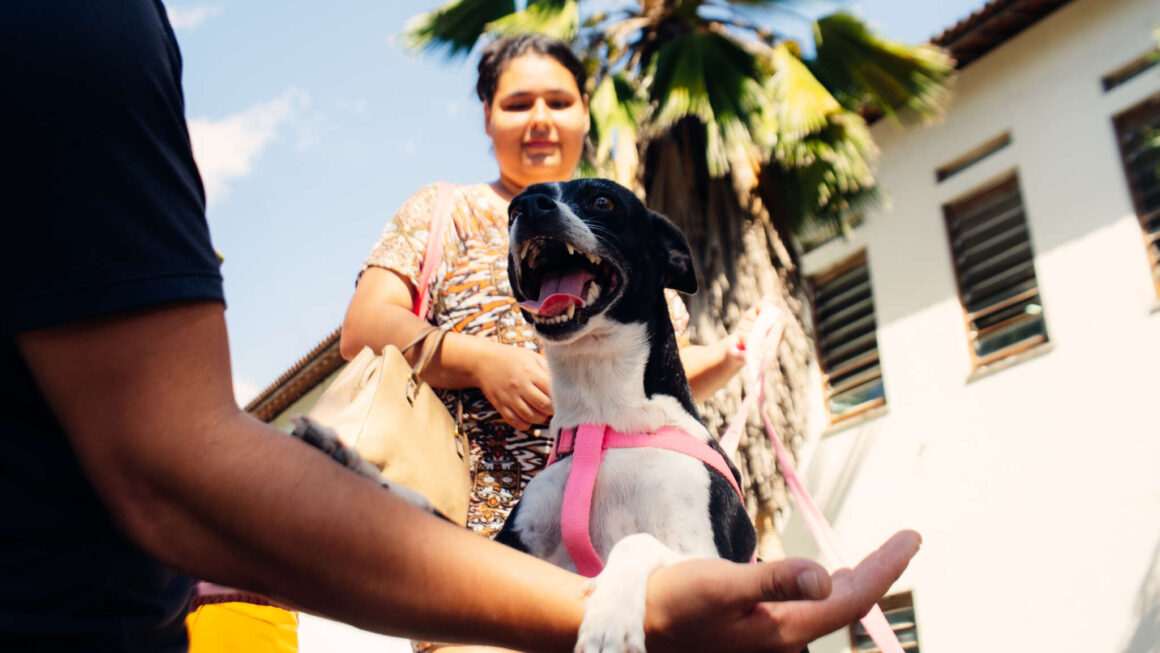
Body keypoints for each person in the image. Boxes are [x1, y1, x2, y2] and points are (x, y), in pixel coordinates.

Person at [0, 3, 921, 652]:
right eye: (517, 102)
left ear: (584, 115)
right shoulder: (449, 211)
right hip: (484, 560)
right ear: (487, 117)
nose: (540, 119)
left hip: (639, 541)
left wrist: (712, 369)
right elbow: (365, 325)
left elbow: (636, 397)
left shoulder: (622, 236)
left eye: (558, 101)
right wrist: (475, 358)